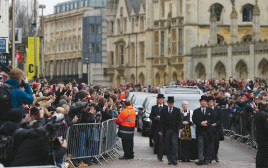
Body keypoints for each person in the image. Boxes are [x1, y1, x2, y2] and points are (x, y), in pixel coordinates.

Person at [160, 96, 183, 165]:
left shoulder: (177, 110)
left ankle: (175, 159)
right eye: (169, 103)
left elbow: (180, 120)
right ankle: (169, 159)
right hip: (166, 130)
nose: (170, 104)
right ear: (167, 103)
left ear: (173, 103)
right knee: (168, 145)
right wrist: (160, 130)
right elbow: (161, 121)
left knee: (174, 144)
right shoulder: (163, 110)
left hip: (174, 130)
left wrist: (180, 128)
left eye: (172, 103)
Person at [193, 95, 215, 165]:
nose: (203, 103)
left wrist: (207, 122)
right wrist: (200, 123)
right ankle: (200, 159)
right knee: (200, 145)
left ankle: (206, 159)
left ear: (206, 103)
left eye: (205, 101)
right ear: (200, 102)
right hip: (200, 131)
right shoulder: (196, 111)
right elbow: (194, 119)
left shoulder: (210, 110)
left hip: (208, 131)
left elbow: (213, 119)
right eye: (202, 101)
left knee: (207, 145)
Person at [149, 94, 167, 161]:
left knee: (162, 142)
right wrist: (156, 118)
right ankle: (158, 155)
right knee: (157, 142)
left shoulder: (165, 107)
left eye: (162, 99)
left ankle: (160, 156)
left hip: (163, 128)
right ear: (157, 100)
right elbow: (151, 116)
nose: (160, 100)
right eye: (159, 99)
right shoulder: (154, 107)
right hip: (156, 127)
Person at [207, 96, 224, 163]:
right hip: (209, 128)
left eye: (212, 101)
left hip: (216, 129)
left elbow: (220, 119)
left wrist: (216, 124)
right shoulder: (207, 109)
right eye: (210, 102)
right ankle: (210, 157)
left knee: (216, 143)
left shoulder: (218, 109)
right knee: (210, 143)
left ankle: (215, 155)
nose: (211, 103)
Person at [254, 102, 268, 168]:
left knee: (259, 152)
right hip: (264, 137)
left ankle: (259, 165)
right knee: (264, 153)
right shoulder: (265, 114)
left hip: (259, 135)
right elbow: (266, 127)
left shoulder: (257, 114)